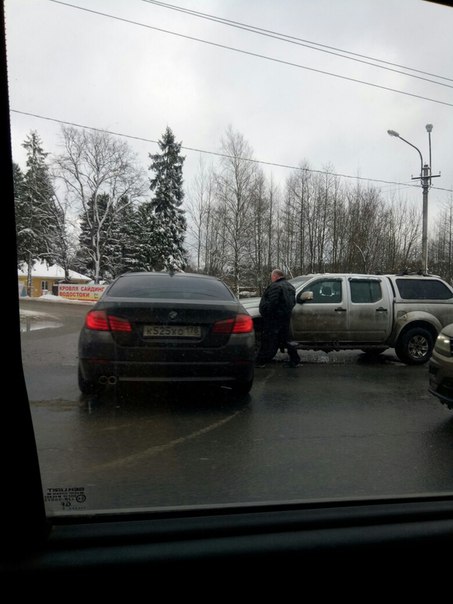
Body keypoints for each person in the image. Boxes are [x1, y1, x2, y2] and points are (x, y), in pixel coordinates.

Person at [255, 269, 301, 368]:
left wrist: (266, 312)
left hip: (274, 318)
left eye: (272, 276)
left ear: (275, 276)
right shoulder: (290, 286)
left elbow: (272, 302)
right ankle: (295, 359)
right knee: (287, 339)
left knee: (269, 340)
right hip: (285, 317)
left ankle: (261, 361)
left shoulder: (275, 286)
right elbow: (292, 302)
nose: (271, 278)